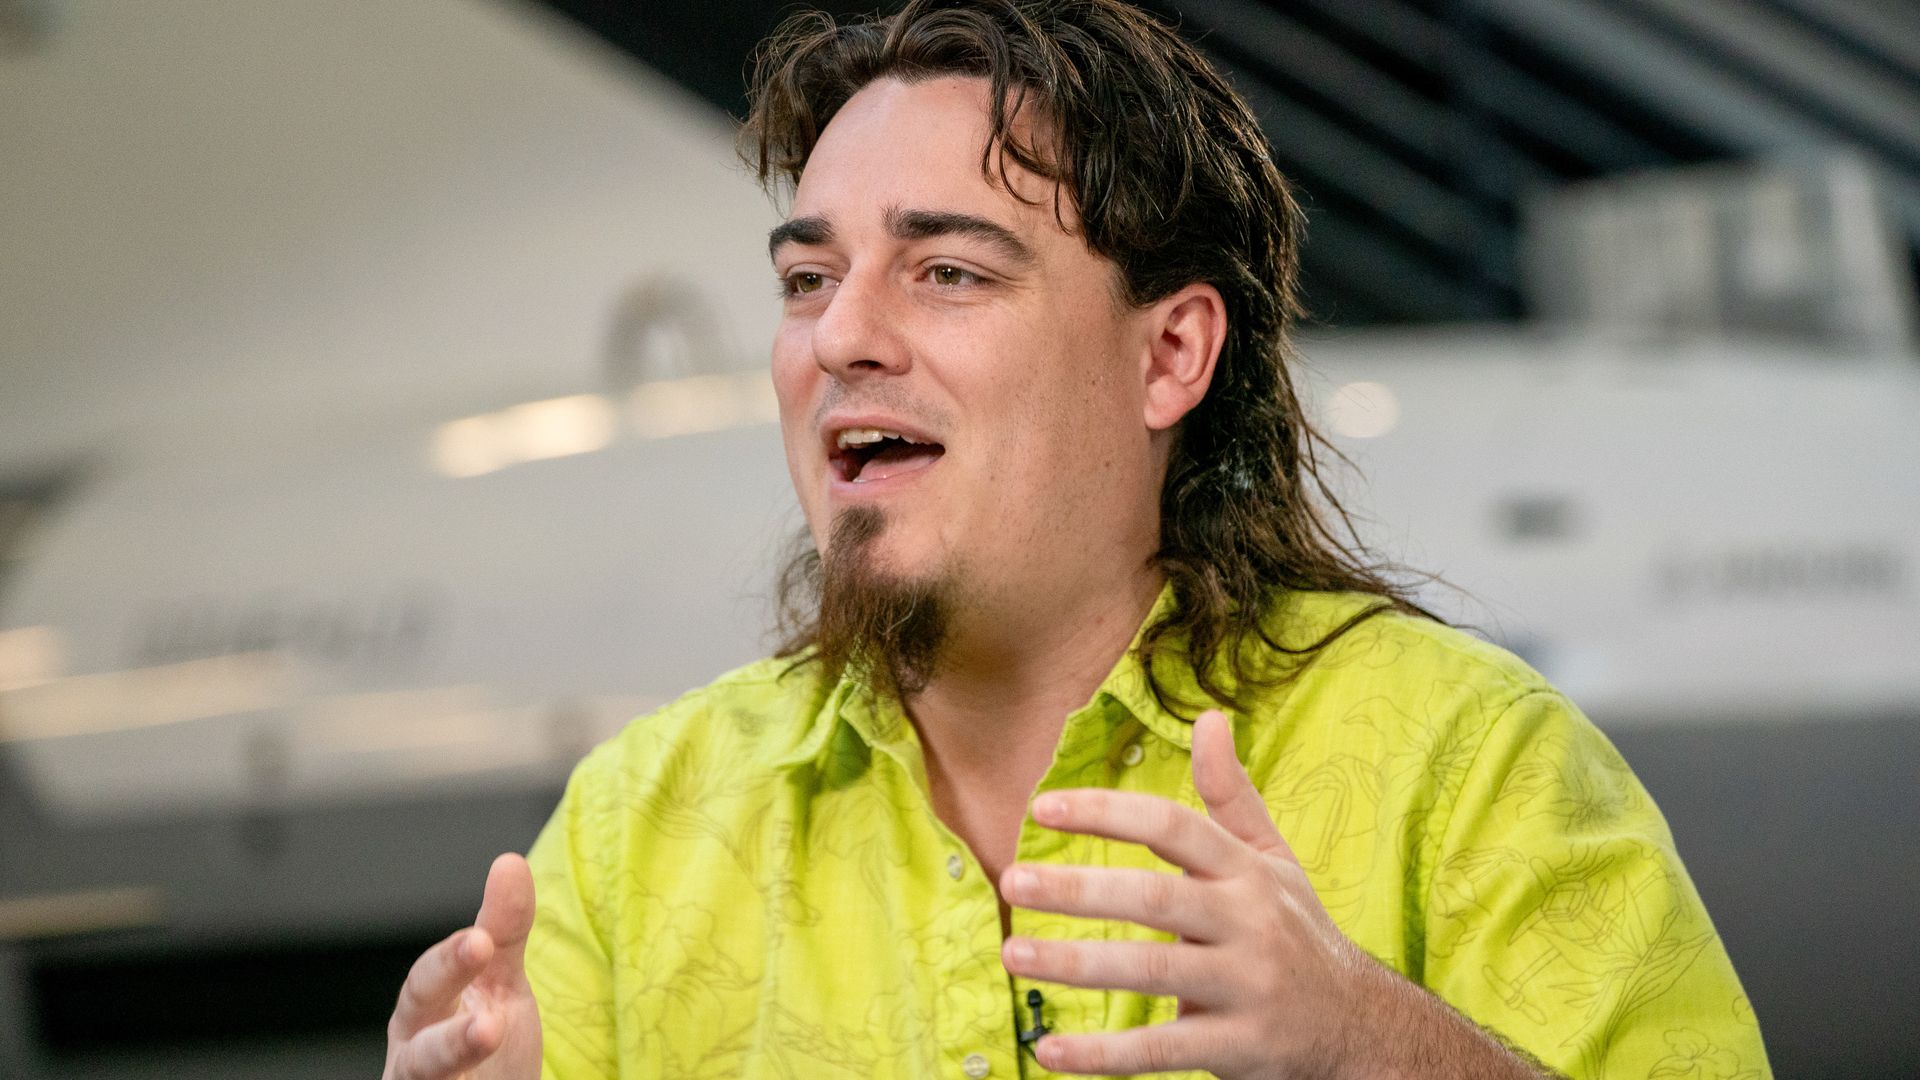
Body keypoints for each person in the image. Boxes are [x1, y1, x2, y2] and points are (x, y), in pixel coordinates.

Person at [382, 1, 1771, 1077]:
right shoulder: (638, 829)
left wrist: (1363, 1042)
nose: (842, 336)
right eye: (808, 278)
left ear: (1171, 354)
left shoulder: (1469, 767)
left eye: (948, 271)